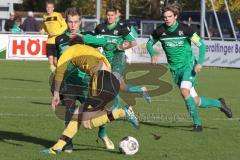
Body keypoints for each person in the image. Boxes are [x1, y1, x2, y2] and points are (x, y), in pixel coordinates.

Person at [146, 4, 232, 132]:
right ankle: (219, 104)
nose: (167, 19)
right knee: (195, 101)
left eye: (170, 16)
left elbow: (202, 45)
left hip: (189, 65)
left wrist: (199, 63)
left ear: (176, 16)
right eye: (165, 17)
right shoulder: (160, 31)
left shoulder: (186, 29)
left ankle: (197, 124)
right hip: (175, 70)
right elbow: (149, 43)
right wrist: (153, 54)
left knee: (184, 91)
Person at [41, 44, 139, 155]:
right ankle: (57, 147)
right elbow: (105, 67)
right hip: (109, 83)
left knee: (86, 123)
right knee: (78, 115)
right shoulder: (92, 52)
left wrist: (56, 94)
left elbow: (59, 73)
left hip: (101, 82)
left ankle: (123, 112)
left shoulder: (68, 52)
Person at [54, 7, 121, 151]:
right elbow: (58, 62)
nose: (73, 25)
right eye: (70, 22)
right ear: (66, 22)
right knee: (69, 112)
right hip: (69, 84)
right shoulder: (60, 39)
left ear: (80, 22)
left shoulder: (86, 36)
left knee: (95, 113)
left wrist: (84, 38)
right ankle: (67, 144)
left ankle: (103, 133)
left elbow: (104, 41)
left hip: (87, 83)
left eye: (76, 22)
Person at [95, 7, 151, 111]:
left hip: (118, 58)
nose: (110, 17)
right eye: (108, 15)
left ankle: (115, 107)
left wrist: (122, 47)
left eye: (112, 15)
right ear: (105, 15)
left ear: (116, 16)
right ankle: (141, 89)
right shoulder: (99, 27)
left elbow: (134, 42)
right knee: (121, 86)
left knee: (112, 81)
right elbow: (95, 40)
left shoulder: (121, 28)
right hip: (106, 59)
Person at [40, 1, 67, 72]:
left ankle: (60, 73)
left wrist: (55, 33)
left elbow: (65, 26)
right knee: (51, 63)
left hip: (57, 41)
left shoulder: (58, 15)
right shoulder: (45, 16)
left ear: (53, 8)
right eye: (47, 7)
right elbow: (45, 27)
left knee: (55, 62)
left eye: (50, 7)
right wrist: (42, 30)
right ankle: (55, 74)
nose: (48, 9)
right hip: (49, 41)